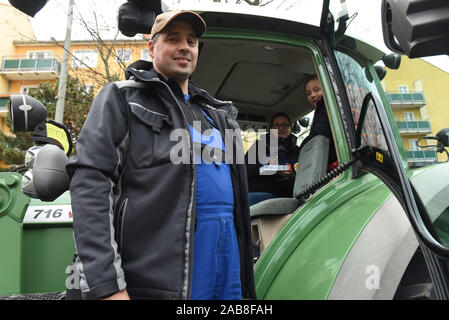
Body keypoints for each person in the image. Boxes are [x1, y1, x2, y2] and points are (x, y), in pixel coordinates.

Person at [65, 10, 256, 300]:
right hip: (163, 280)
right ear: (152, 47)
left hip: (226, 270)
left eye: (191, 41)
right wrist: (106, 285)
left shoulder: (218, 116)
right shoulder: (121, 98)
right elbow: (90, 186)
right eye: (173, 38)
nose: (185, 46)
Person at [246, 112, 300, 205]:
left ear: (291, 129)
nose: (280, 128)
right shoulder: (259, 145)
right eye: (276, 125)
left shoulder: (297, 151)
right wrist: (267, 165)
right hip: (260, 191)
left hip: (288, 194)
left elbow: (304, 175)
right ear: (270, 129)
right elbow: (245, 170)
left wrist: (292, 174)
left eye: (285, 125)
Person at [299, 74, 338, 168]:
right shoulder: (265, 142)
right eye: (308, 93)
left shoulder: (329, 107)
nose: (312, 95)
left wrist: (298, 153)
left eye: (317, 90)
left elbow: (318, 135)